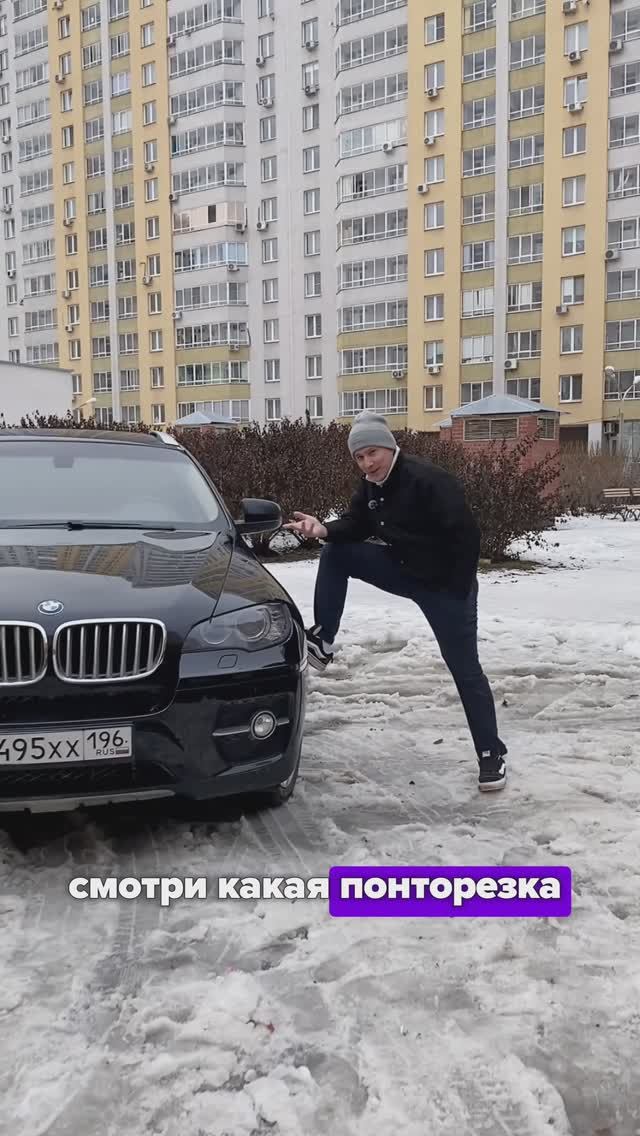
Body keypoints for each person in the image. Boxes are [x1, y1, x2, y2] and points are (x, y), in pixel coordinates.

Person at [283, 409, 507, 792]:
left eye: (372, 453)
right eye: (359, 456)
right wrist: (323, 529)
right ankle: (322, 639)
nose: (367, 463)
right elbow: (355, 524)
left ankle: (491, 754)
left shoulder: (429, 480)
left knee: (465, 670)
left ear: (389, 447)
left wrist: (454, 590)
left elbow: (467, 538)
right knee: (336, 552)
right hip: (403, 571)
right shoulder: (371, 487)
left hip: (447, 589)